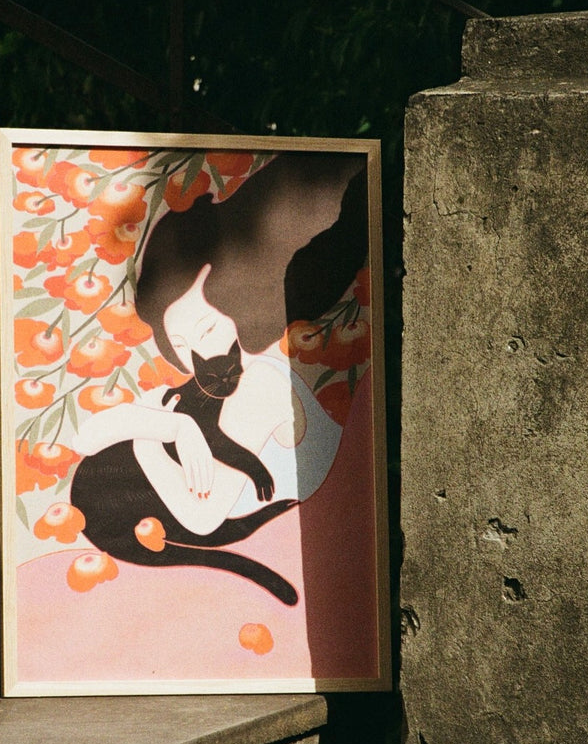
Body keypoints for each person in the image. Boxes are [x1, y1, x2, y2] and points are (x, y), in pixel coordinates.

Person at [73, 152, 367, 537]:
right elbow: (84, 438)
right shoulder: (208, 387)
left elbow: (202, 517)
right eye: (179, 342)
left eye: (207, 330)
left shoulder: (260, 382)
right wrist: (176, 427)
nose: (196, 354)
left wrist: (147, 442)